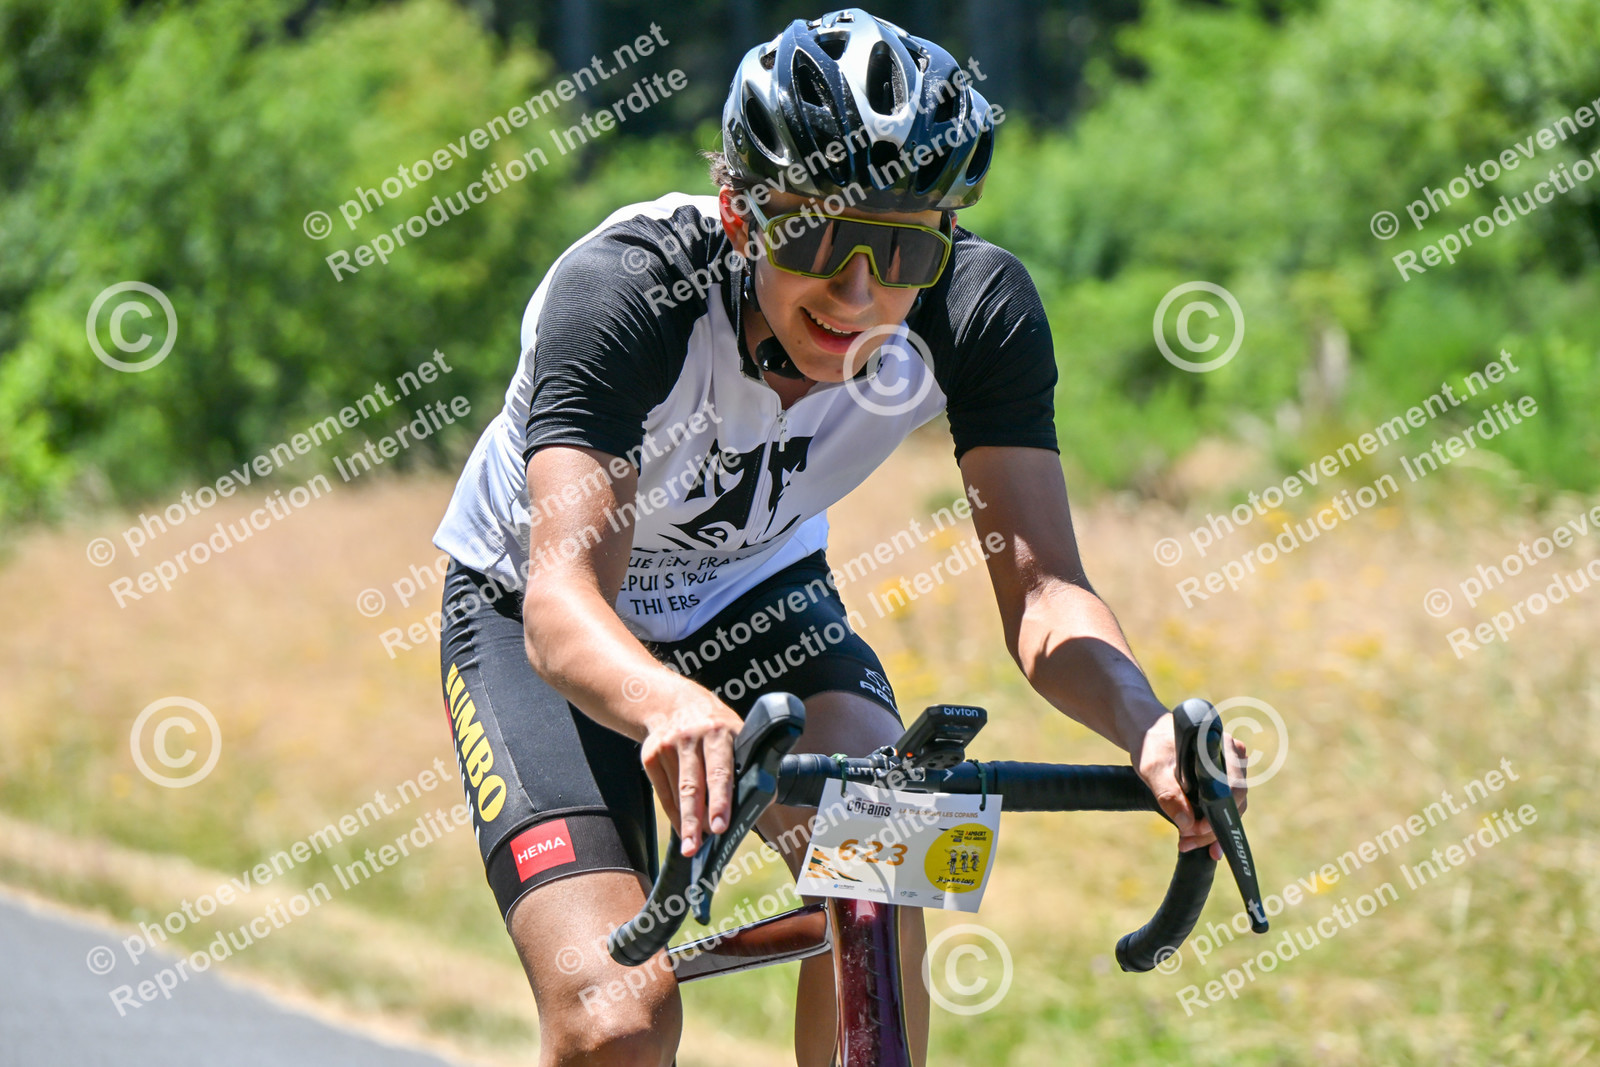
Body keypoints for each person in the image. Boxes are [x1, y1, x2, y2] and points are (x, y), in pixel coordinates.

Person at [433, 9, 1246, 1066]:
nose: (858, 292)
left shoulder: (976, 309)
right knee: (615, 1018)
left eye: (902, 246)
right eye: (818, 237)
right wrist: (666, 700)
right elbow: (561, 601)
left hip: (752, 593)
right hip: (538, 610)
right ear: (742, 213)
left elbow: (1046, 593)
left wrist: (1145, 722)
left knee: (881, 868)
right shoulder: (627, 290)